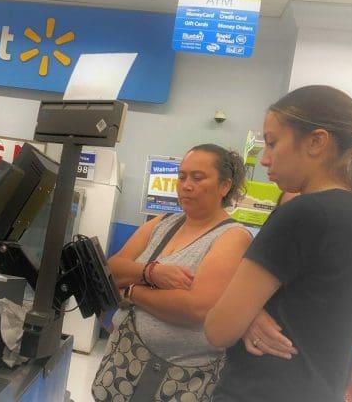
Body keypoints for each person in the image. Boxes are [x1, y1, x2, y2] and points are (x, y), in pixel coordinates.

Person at [204, 85, 352, 401]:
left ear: (316, 141)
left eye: (272, 143)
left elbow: (219, 329)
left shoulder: (305, 211)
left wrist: (245, 313)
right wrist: (253, 310)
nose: (265, 159)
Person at [92, 144, 253, 401]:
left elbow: (195, 309)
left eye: (198, 178)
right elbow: (112, 268)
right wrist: (151, 272)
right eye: (182, 177)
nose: (186, 185)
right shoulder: (163, 222)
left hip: (177, 379)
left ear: (225, 186)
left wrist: (131, 291)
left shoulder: (231, 237)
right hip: (124, 360)